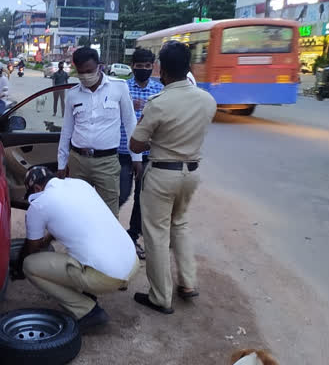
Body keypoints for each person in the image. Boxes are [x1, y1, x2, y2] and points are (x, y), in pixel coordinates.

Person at [128, 40, 217, 315]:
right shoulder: (207, 100)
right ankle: (188, 282)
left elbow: (135, 145)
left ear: (161, 71)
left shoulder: (158, 103)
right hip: (191, 174)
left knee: (155, 234)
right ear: (188, 68)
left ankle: (160, 297)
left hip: (162, 174)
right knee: (180, 224)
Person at [16, 166, 138, 332]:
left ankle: (87, 311)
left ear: (36, 188)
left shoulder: (39, 205)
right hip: (131, 261)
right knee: (76, 246)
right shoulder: (80, 184)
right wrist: (50, 235)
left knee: (29, 265)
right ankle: (88, 290)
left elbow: (32, 248)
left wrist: (16, 265)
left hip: (107, 276)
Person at [57, 47, 141, 217]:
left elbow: (130, 122)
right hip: (78, 161)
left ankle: (107, 244)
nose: (85, 76)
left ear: (100, 66)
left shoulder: (119, 87)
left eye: (89, 71)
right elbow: (66, 131)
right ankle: (80, 244)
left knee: (108, 213)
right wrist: (61, 163)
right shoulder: (73, 94)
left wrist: (136, 157)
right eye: (81, 72)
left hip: (107, 162)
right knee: (78, 211)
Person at [118, 48, 163, 260]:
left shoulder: (159, 90)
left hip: (147, 153)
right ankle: (108, 232)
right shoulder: (123, 89)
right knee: (121, 193)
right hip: (123, 151)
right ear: (132, 66)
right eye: (139, 66)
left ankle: (132, 236)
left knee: (141, 198)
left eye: (147, 66)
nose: (143, 69)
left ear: (152, 66)